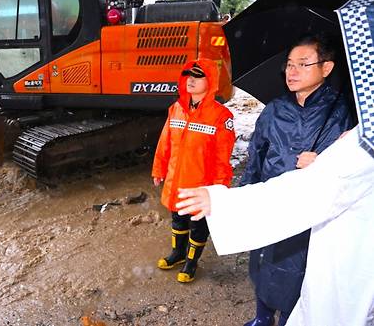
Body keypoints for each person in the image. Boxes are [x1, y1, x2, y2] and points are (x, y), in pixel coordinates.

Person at [175, 128, 374, 326]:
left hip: (348, 261)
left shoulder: (365, 142)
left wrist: (225, 203)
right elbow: (258, 154)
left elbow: (311, 190)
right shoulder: (363, 132)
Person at [236, 34, 353, 326]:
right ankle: (262, 317)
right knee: (262, 262)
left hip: (308, 213)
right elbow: (256, 155)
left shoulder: (341, 114)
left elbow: (349, 170)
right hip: (271, 201)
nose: (292, 72)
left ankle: (291, 319)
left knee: (297, 272)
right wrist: (244, 197)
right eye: (289, 65)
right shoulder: (275, 109)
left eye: (303, 64)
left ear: (326, 69)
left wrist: (322, 162)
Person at [152, 58, 236, 283]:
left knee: (198, 226)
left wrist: (218, 188)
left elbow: (222, 158)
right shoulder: (176, 108)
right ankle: (178, 254)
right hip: (176, 181)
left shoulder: (221, 117)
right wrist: (159, 168)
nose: (191, 79)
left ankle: (191, 263)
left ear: (210, 81)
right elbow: (164, 142)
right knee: (178, 220)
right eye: (188, 74)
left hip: (201, 185)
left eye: (198, 76)